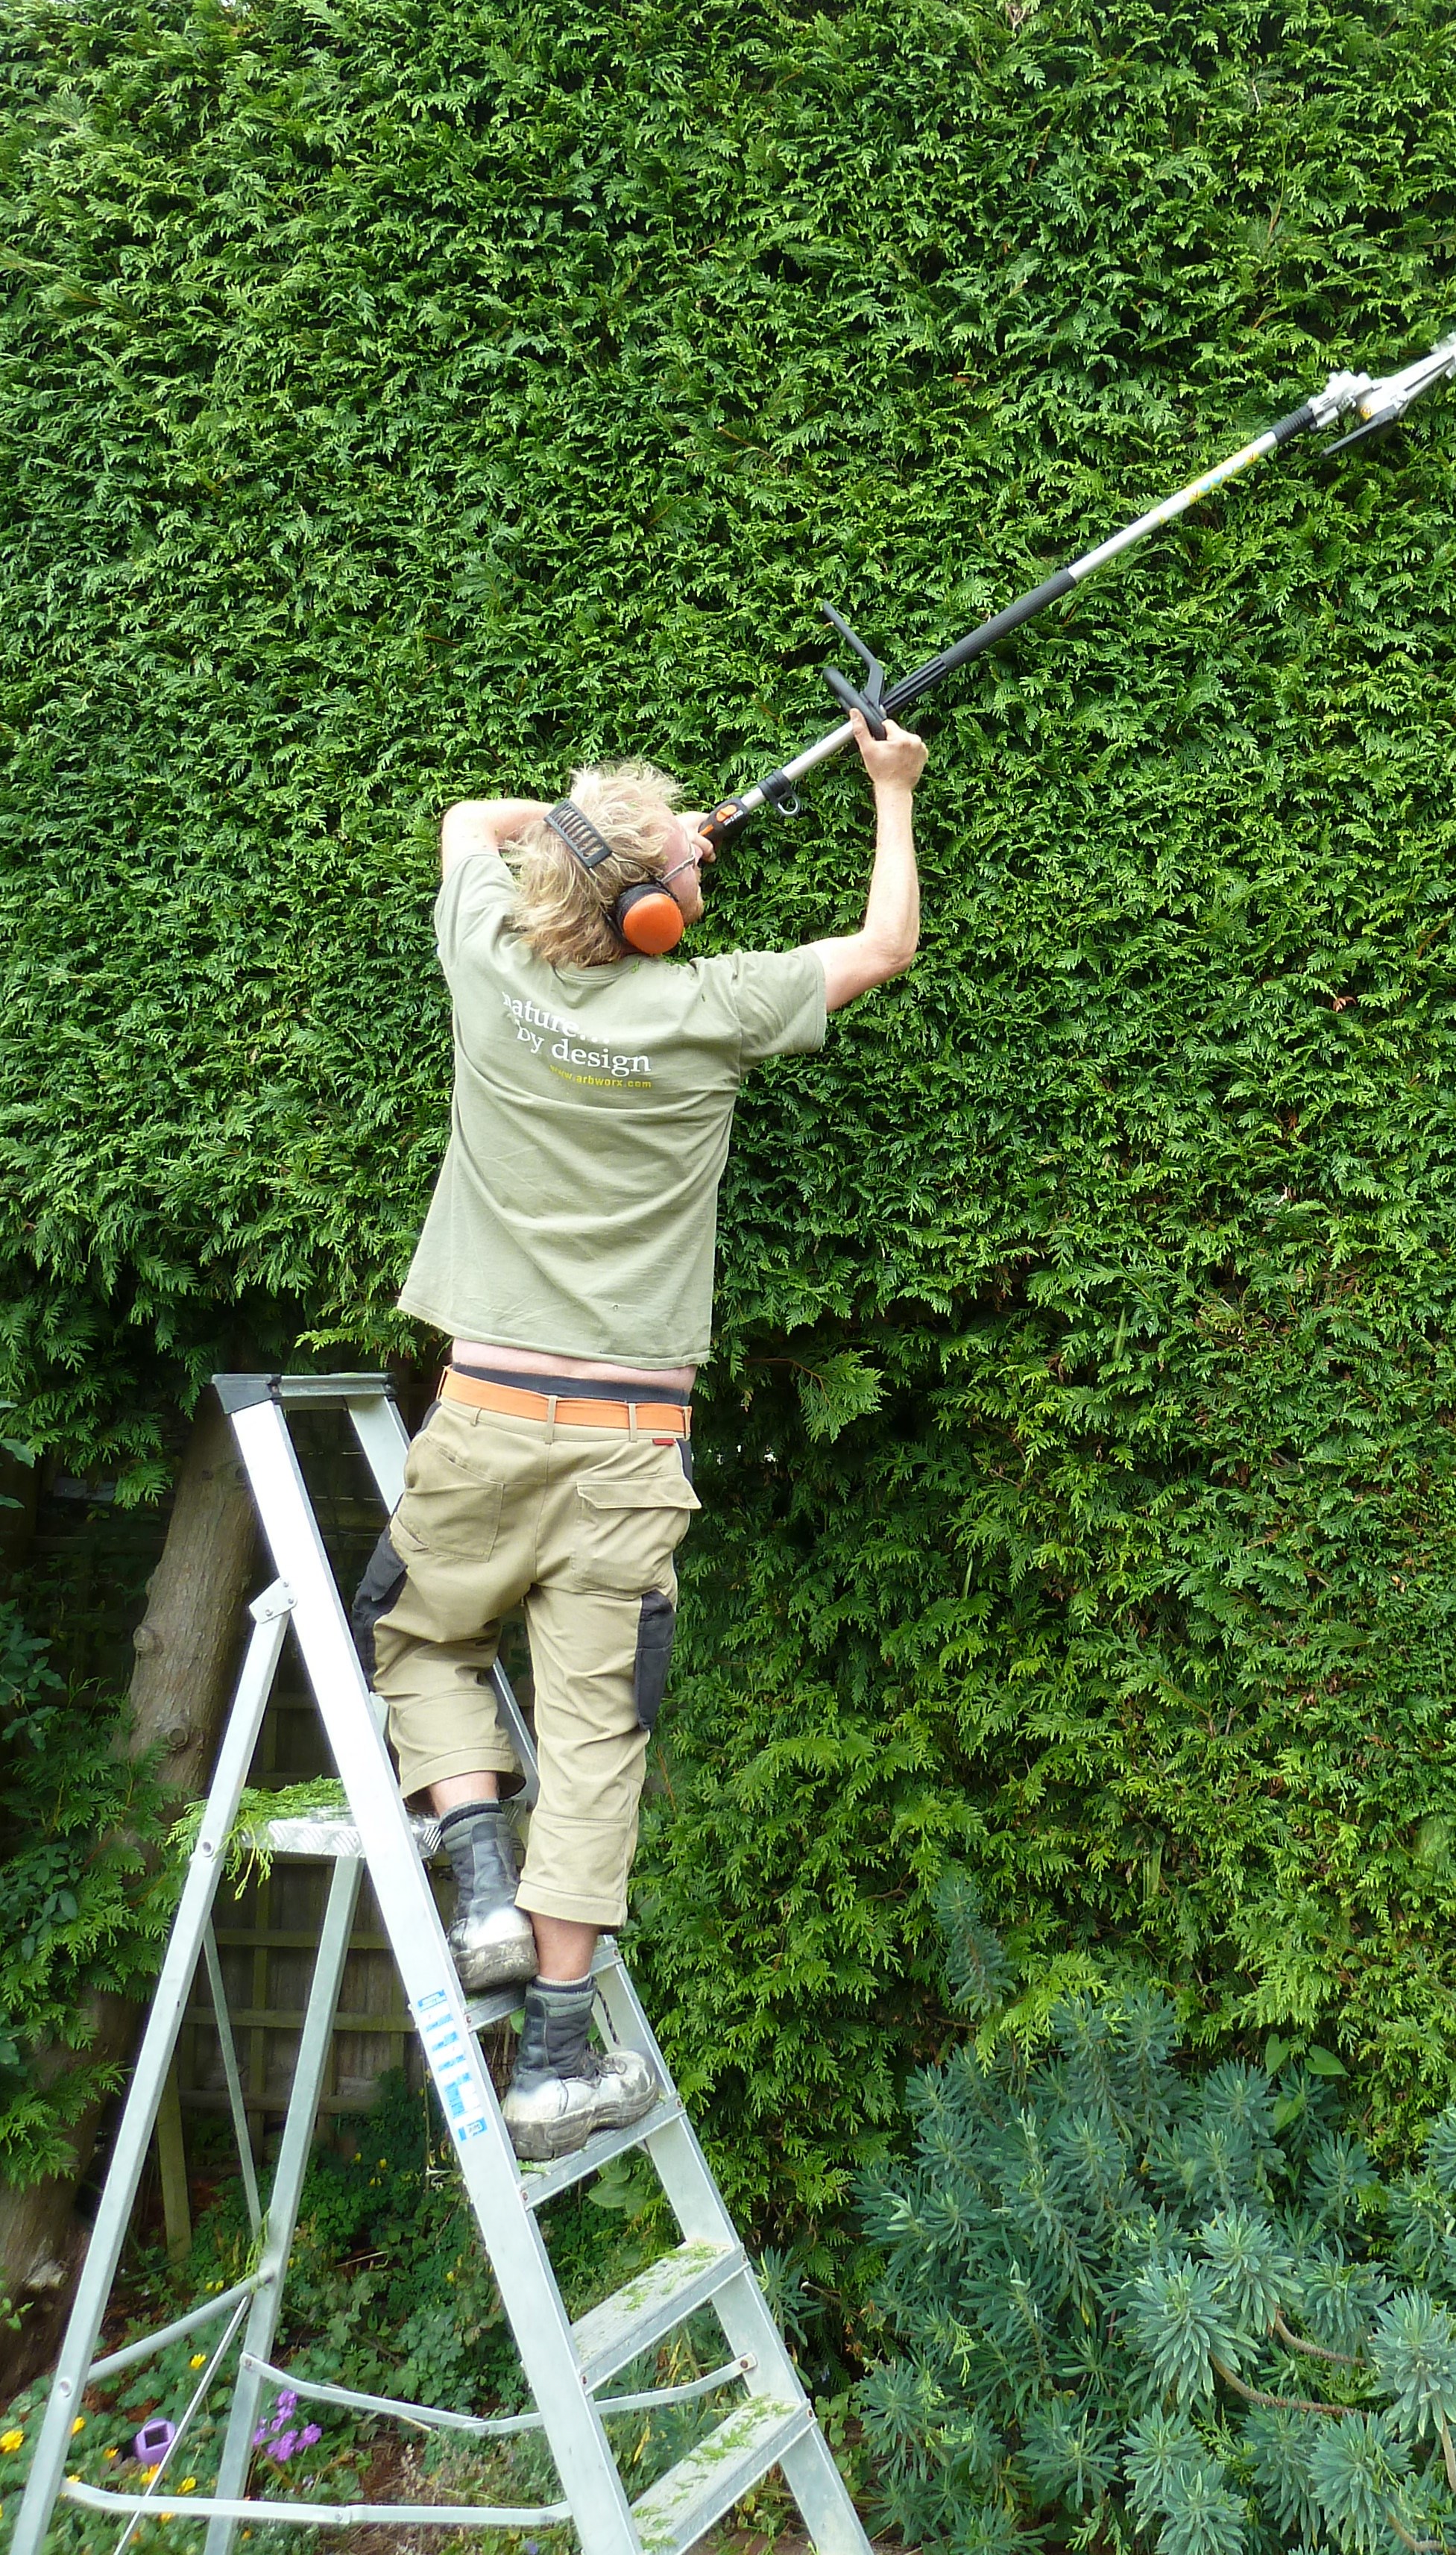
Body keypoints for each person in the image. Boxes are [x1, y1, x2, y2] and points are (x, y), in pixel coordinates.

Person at [355, 711, 927, 2159]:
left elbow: (470, 821)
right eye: (679, 852)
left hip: (481, 1419)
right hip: (628, 1448)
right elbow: (880, 948)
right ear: (657, 914)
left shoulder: (490, 971)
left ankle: (477, 1883)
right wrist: (891, 792)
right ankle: (555, 2060)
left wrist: (611, 844)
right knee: (598, 1738)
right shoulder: (710, 1004)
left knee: (421, 1639)